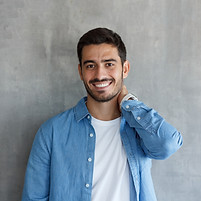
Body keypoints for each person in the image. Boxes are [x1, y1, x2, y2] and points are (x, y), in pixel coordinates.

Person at [22, 27, 183, 201]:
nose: (100, 74)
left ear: (125, 68)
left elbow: (168, 144)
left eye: (109, 64)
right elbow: (33, 198)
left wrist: (129, 102)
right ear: (81, 72)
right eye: (91, 66)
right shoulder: (51, 132)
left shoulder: (140, 127)